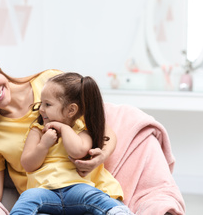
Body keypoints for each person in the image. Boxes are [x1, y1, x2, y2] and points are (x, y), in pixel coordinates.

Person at [0, 49, 117, 214]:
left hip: (92, 193)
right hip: (44, 205)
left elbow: (101, 129)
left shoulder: (49, 83)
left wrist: (103, 155)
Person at [10, 72, 133, 215]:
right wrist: (43, 145)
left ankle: (117, 211)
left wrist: (64, 128)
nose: (41, 109)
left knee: (93, 195)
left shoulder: (82, 131)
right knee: (27, 197)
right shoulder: (37, 131)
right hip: (44, 192)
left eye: (48, 104)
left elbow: (78, 151)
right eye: (41, 103)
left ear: (71, 110)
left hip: (76, 189)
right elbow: (27, 164)